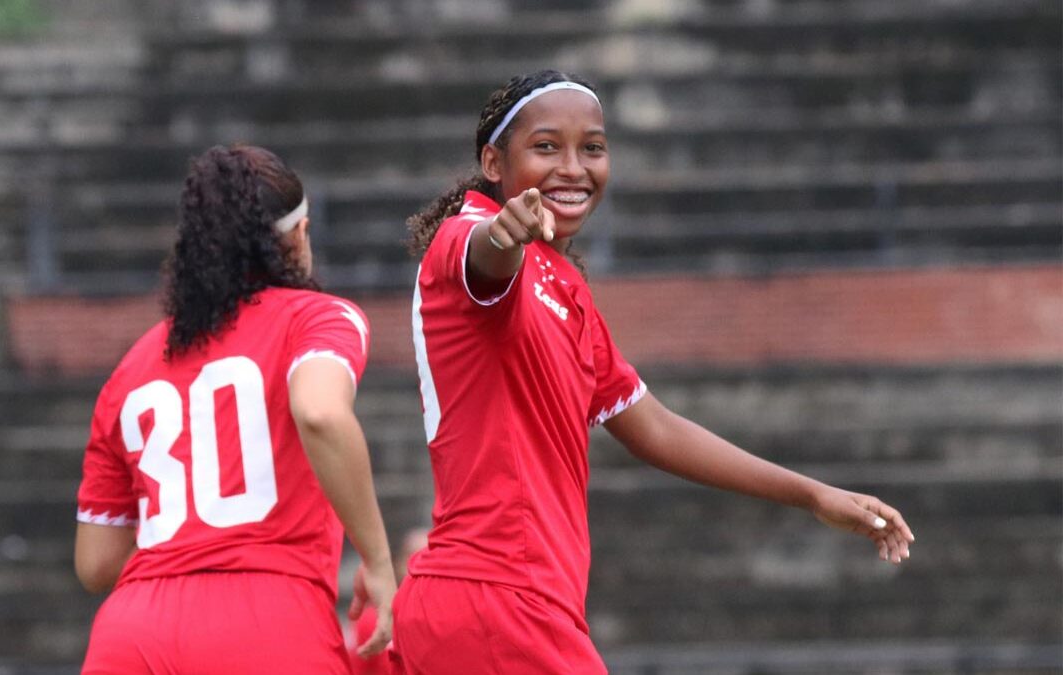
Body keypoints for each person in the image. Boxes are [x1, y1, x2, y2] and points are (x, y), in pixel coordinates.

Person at [392, 70, 916, 675]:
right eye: (545, 147)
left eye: (592, 147)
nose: (573, 166)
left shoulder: (566, 288)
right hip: (498, 597)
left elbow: (657, 430)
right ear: (493, 161)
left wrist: (813, 494)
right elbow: (482, 257)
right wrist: (502, 234)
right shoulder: (466, 237)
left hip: (499, 602)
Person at [74, 144, 396, 674]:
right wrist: (378, 561)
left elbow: (95, 563)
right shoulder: (317, 317)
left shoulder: (132, 364)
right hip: (267, 623)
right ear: (296, 236)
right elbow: (320, 412)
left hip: (132, 632)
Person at [345, 527, 429, 675]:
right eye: (411, 558)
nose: (418, 567)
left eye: (427, 560)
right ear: (398, 564)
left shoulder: (449, 622)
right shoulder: (371, 620)